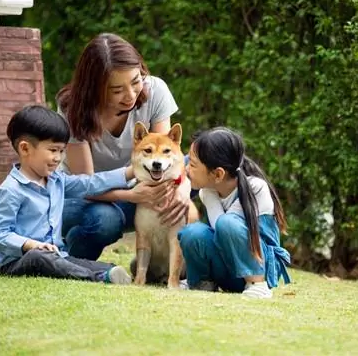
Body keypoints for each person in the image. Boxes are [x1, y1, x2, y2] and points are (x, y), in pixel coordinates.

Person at [56, 33, 194, 261]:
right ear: (94, 88)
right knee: (105, 221)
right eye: (116, 90)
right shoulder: (73, 109)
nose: (130, 95)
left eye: (135, 80)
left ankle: (165, 260)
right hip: (88, 197)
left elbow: (165, 154)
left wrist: (183, 187)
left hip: (139, 189)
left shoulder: (155, 90)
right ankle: (74, 251)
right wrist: (132, 196)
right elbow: (86, 185)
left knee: (197, 162)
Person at [0, 105, 135, 284]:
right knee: (39, 257)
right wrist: (31, 245)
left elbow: (90, 183)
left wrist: (129, 172)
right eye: (52, 150)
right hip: (20, 260)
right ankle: (99, 278)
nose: (58, 158)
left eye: (61, 151)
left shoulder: (57, 180)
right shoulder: (11, 189)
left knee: (92, 264)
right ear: (25, 149)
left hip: (58, 254)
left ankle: (109, 272)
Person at [178, 127, 291, 298]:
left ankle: (257, 285)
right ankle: (202, 283)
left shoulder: (256, 188)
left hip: (260, 266)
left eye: (192, 164)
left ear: (218, 174)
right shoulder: (207, 191)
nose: (186, 169)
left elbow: (225, 227)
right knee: (191, 232)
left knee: (227, 223)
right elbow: (218, 235)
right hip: (230, 267)